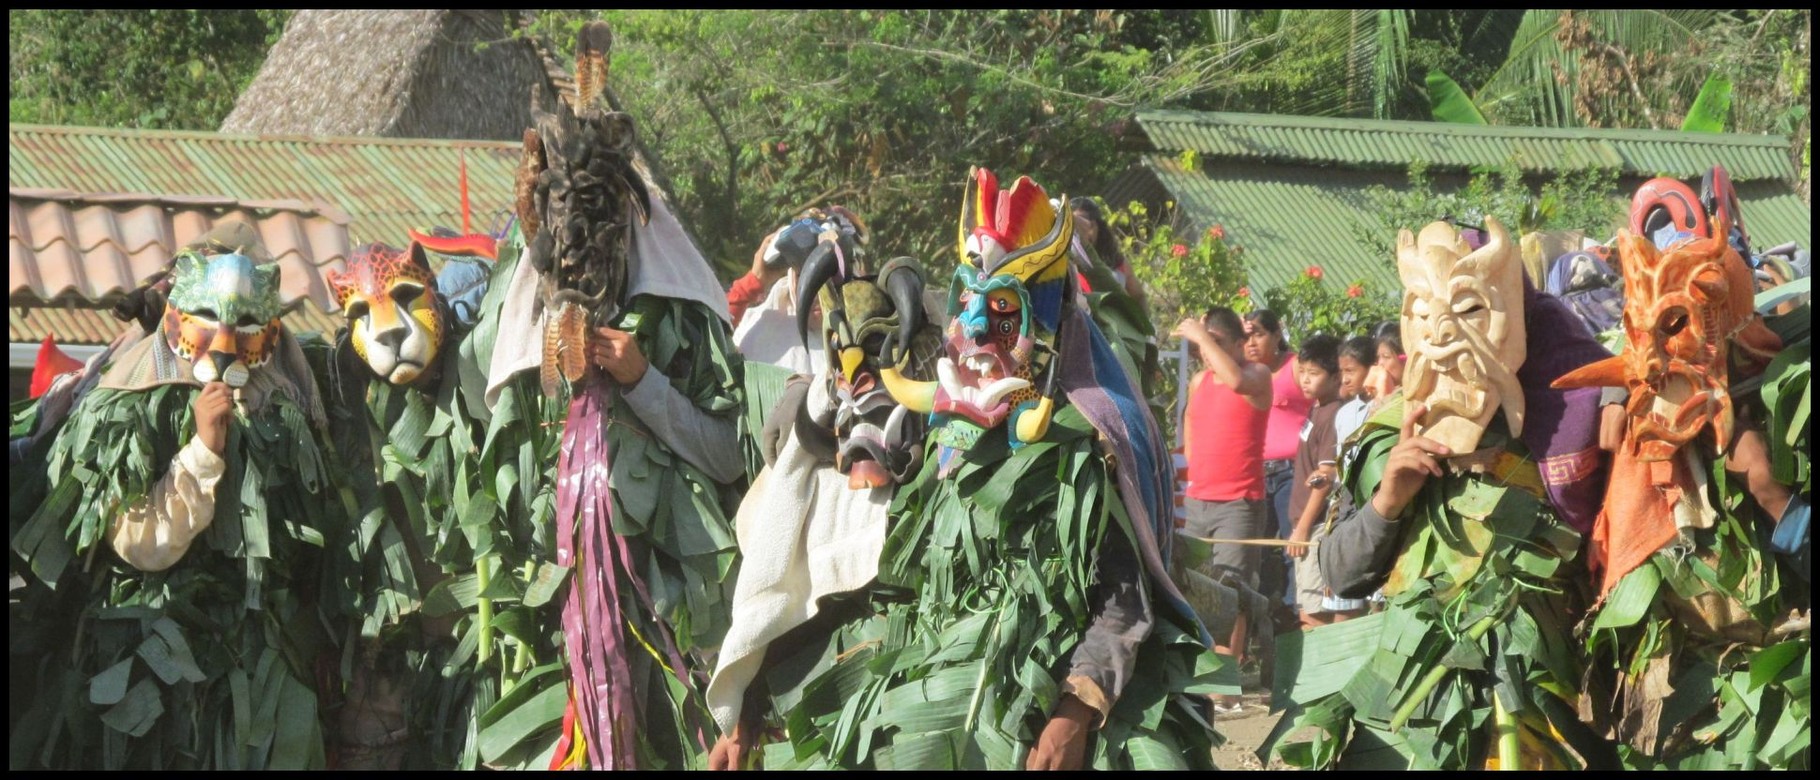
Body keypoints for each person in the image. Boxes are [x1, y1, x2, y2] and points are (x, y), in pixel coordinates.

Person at [750, 168, 1219, 769]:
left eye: (1001, 310)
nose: (973, 328)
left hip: (1053, 722)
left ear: (1044, 326)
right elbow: (885, 581)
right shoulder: (944, 438)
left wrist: (1075, 712)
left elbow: (1125, 601)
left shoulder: (1088, 442)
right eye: (967, 300)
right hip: (936, 706)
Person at [11, 223, 349, 769]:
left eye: (245, 325)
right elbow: (138, 541)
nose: (225, 342)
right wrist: (203, 451)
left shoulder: (291, 395)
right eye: (209, 320)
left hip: (263, 669)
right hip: (159, 673)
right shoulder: (132, 395)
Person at [1299, 218, 1614, 769]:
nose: (1443, 334)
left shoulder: (1576, 412)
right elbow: (1339, 572)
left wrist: (1617, 399)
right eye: (1424, 315)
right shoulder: (1390, 431)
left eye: (1470, 310)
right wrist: (1389, 500)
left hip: (1557, 705)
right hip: (1423, 710)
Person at [1175, 305, 1272, 708]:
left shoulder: (1256, 375)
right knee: (1198, 589)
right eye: (1202, 343)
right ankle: (1205, 679)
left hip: (1238, 502)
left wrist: (1198, 335)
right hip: (1199, 499)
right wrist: (1189, 480)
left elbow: (1232, 379)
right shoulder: (1200, 380)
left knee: (1231, 590)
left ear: (1238, 344)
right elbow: (1190, 426)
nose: (1204, 351)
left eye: (1216, 343)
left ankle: (1225, 689)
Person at [1284, 335, 1352, 629]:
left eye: (1314, 373)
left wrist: (1302, 529)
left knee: (1313, 615)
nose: (1305, 380)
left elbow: (1324, 479)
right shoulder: (1317, 408)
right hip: (1306, 523)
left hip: (1316, 526)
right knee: (1310, 609)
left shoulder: (1333, 414)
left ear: (1336, 376)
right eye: (1302, 371)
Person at [1244, 308, 1305, 622]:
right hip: (1254, 472)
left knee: (1291, 546)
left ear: (1277, 335)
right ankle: (1264, 616)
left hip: (1291, 471)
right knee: (1258, 549)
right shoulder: (1244, 373)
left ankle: (1295, 612)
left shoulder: (1296, 367)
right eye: (1246, 335)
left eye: (1258, 333)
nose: (1251, 341)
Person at [1068, 196, 1148, 308]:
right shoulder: (1070, 267)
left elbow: (1138, 296)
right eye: (1076, 228)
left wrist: (1142, 323)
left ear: (1098, 227)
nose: (1082, 233)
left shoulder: (1116, 261)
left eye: (1086, 225)